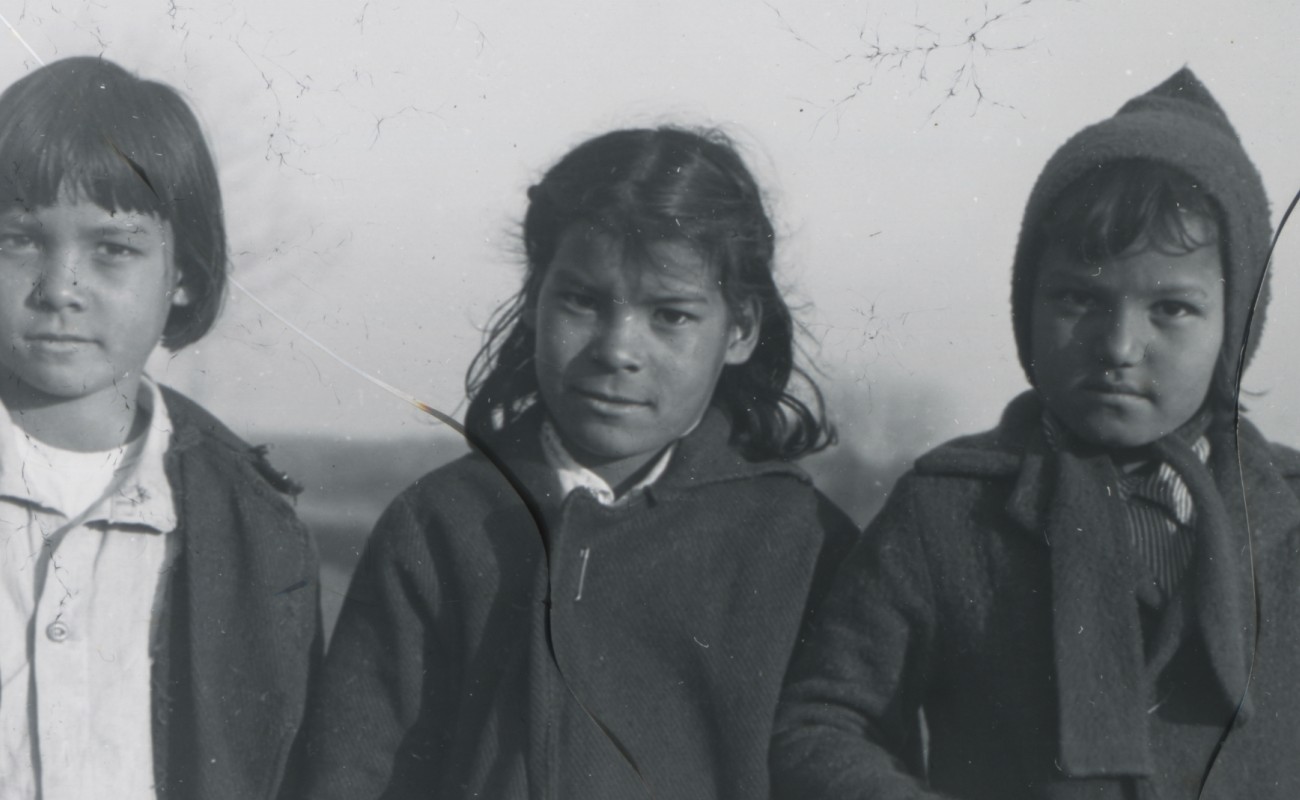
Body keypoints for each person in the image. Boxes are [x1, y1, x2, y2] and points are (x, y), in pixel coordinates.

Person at [770, 68, 1300, 799]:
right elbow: (822, 722)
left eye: (1171, 310)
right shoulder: (948, 510)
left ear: (1235, 325)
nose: (1118, 345)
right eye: (1079, 298)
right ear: (1027, 305)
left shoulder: (1288, 517)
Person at [300, 127, 857, 799]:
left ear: (738, 330)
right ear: (535, 301)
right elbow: (349, 772)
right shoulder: (440, 524)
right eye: (583, 301)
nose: (619, 348)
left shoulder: (798, 542)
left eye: (671, 316)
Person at [0, 57, 320, 799]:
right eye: (19, 240)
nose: (59, 290)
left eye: (113, 249)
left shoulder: (253, 527)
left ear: (184, 272)